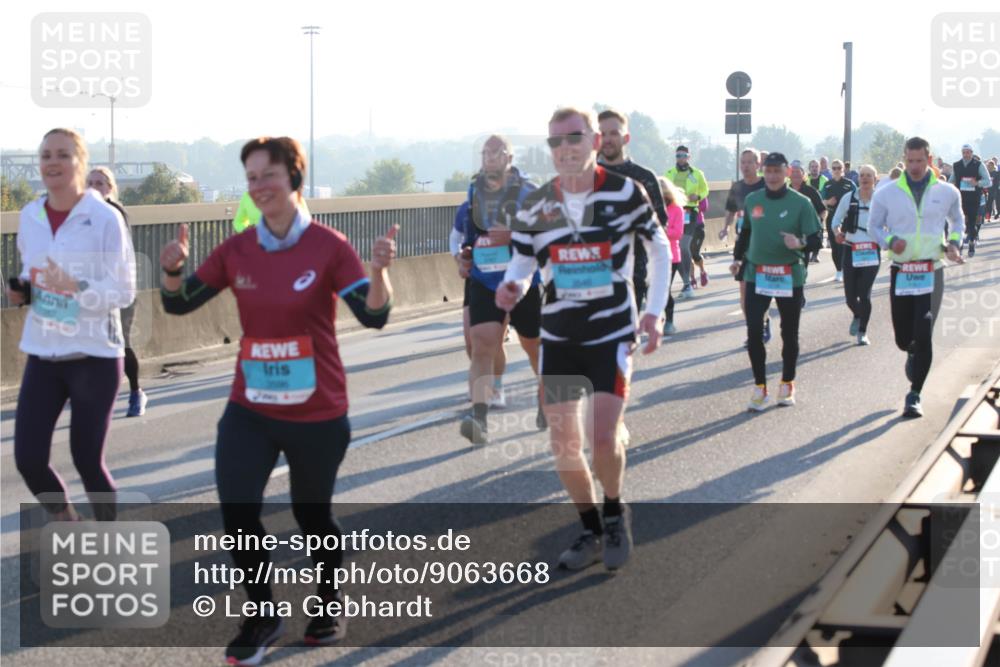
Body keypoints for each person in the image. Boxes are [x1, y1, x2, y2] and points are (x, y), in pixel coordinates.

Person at [159, 136, 398, 663]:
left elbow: (374, 316)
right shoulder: (237, 249)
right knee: (237, 511)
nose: (259, 186)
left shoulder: (329, 247)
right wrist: (173, 269)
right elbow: (178, 306)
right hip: (251, 408)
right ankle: (263, 613)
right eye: (250, 178)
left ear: (294, 177)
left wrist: (379, 273)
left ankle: (329, 601)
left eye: (268, 174)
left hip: (318, 412)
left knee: (311, 515)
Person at [497, 108, 671, 571]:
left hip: (612, 330)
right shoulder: (535, 204)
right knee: (563, 444)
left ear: (595, 140)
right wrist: (514, 286)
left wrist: (653, 312)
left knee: (601, 437)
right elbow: (523, 264)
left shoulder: (625, 192)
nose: (565, 149)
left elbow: (659, 248)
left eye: (574, 138)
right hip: (561, 335)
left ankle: (615, 511)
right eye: (556, 142)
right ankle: (591, 528)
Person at [8, 128, 136, 523]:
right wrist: (24, 291)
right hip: (44, 352)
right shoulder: (29, 216)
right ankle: (69, 523)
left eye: (62, 155)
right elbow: (38, 276)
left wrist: (76, 287)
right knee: (29, 459)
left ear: (80, 162)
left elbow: (124, 290)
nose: (52, 162)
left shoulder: (104, 218)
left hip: (94, 355)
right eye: (46, 155)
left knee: (87, 461)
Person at [868, 136, 964, 418]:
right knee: (903, 337)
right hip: (902, 271)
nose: (914, 166)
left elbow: (957, 221)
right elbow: (874, 226)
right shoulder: (886, 193)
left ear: (929, 160)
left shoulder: (947, 191)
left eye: (920, 161)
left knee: (924, 331)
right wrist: (888, 240)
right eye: (910, 161)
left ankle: (915, 394)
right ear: (904, 159)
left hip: (931, 270)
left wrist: (954, 242)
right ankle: (909, 350)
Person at [458, 135, 542, 445]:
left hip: (523, 278)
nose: (490, 157)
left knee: (533, 345)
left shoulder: (529, 192)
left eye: (497, 152)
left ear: (509, 157)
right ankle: (478, 418)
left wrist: (514, 235)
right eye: (486, 152)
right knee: (482, 345)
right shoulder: (474, 190)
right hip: (484, 278)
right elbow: (471, 234)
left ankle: (546, 399)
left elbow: (547, 234)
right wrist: (465, 255)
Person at [730, 153, 822, 411]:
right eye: (767, 171)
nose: (771, 176)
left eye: (777, 172)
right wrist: (738, 260)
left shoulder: (801, 203)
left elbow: (816, 239)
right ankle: (760, 387)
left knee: (789, 333)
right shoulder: (753, 200)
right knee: (753, 332)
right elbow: (745, 233)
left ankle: (787, 382)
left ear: (786, 173)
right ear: (763, 172)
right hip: (757, 273)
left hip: (788, 275)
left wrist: (800, 242)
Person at [86, 167, 148, 417]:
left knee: (121, 344)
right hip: (90, 289)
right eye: (90, 182)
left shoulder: (115, 213)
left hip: (119, 291)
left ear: (110, 188)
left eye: (100, 183)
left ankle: (136, 392)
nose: (95, 187)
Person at [597, 109, 669, 311]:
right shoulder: (583, 179)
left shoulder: (643, 177)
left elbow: (659, 224)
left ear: (625, 137)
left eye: (614, 133)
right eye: (602, 134)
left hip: (631, 275)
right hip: (591, 277)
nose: (608, 139)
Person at [720, 149, 769, 345]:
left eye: (750, 162)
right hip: (744, 245)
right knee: (744, 291)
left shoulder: (767, 185)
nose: (746, 166)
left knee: (762, 290)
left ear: (758, 165)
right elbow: (730, 210)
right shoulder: (737, 187)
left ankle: (763, 322)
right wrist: (725, 228)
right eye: (743, 162)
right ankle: (753, 330)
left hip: (765, 244)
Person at [832, 164, 881, 345]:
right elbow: (836, 221)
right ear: (858, 178)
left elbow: (891, 223)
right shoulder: (849, 198)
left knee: (864, 293)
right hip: (851, 249)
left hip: (871, 251)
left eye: (869, 175)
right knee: (850, 297)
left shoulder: (880, 199)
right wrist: (837, 233)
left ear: (875, 179)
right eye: (862, 175)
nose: (865, 178)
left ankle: (862, 331)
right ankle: (857, 314)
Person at [665, 145, 709, 299]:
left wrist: (697, 197)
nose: (680, 158)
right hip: (674, 212)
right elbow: (662, 190)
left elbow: (705, 190)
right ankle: (684, 282)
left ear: (688, 157)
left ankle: (687, 283)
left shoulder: (697, 173)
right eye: (678, 156)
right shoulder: (669, 173)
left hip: (690, 212)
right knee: (674, 249)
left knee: (684, 245)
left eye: (683, 155)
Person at [950, 144, 991, 257]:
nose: (966, 154)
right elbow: (951, 180)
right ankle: (961, 244)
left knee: (972, 221)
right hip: (960, 198)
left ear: (972, 153)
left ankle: (972, 242)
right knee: (961, 222)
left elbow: (988, 181)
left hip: (974, 198)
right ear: (962, 153)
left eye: (968, 152)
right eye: (964, 152)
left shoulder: (978, 165)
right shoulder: (957, 165)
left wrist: (977, 183)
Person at [820, 159, 857, 281]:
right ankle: (839, 270)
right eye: (834, 168)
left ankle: (847, 268)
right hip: (832, 216)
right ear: (831, 170)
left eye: (839, 168)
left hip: (847, 218)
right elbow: (821, 200)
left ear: (843, 169)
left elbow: (857, 197)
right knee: (835, 246)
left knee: (846, 245)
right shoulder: (827, 184)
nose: (836, 170)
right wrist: (828, 202)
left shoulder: (849, 183)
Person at [659, 176, 686, 335]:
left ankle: (669, 321)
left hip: (671, 255)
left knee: (664, 288)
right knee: (652, 290)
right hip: (652, 255)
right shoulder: (651, 208)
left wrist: (660, 231)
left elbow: (677, 233)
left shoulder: (676, 209)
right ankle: (658, 317)